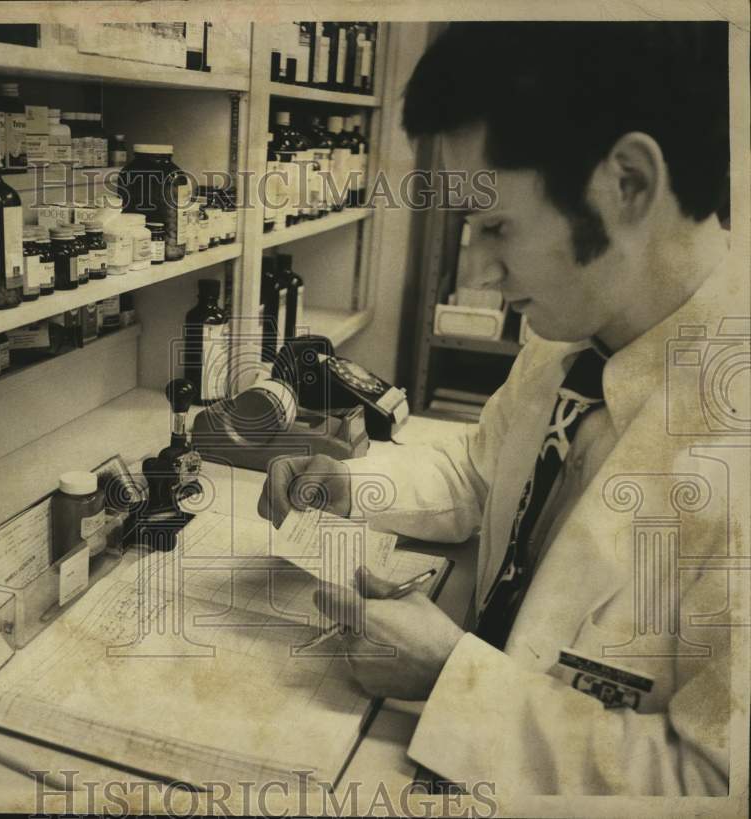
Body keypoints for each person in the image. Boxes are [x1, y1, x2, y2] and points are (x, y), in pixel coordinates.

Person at [258, 22, 745, 795]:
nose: (480, 271)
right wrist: (351, 483)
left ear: (627, 182)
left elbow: (714, 785)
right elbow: (486, 474)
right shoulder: (576, 331)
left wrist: (456, 680)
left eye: (495, 227)